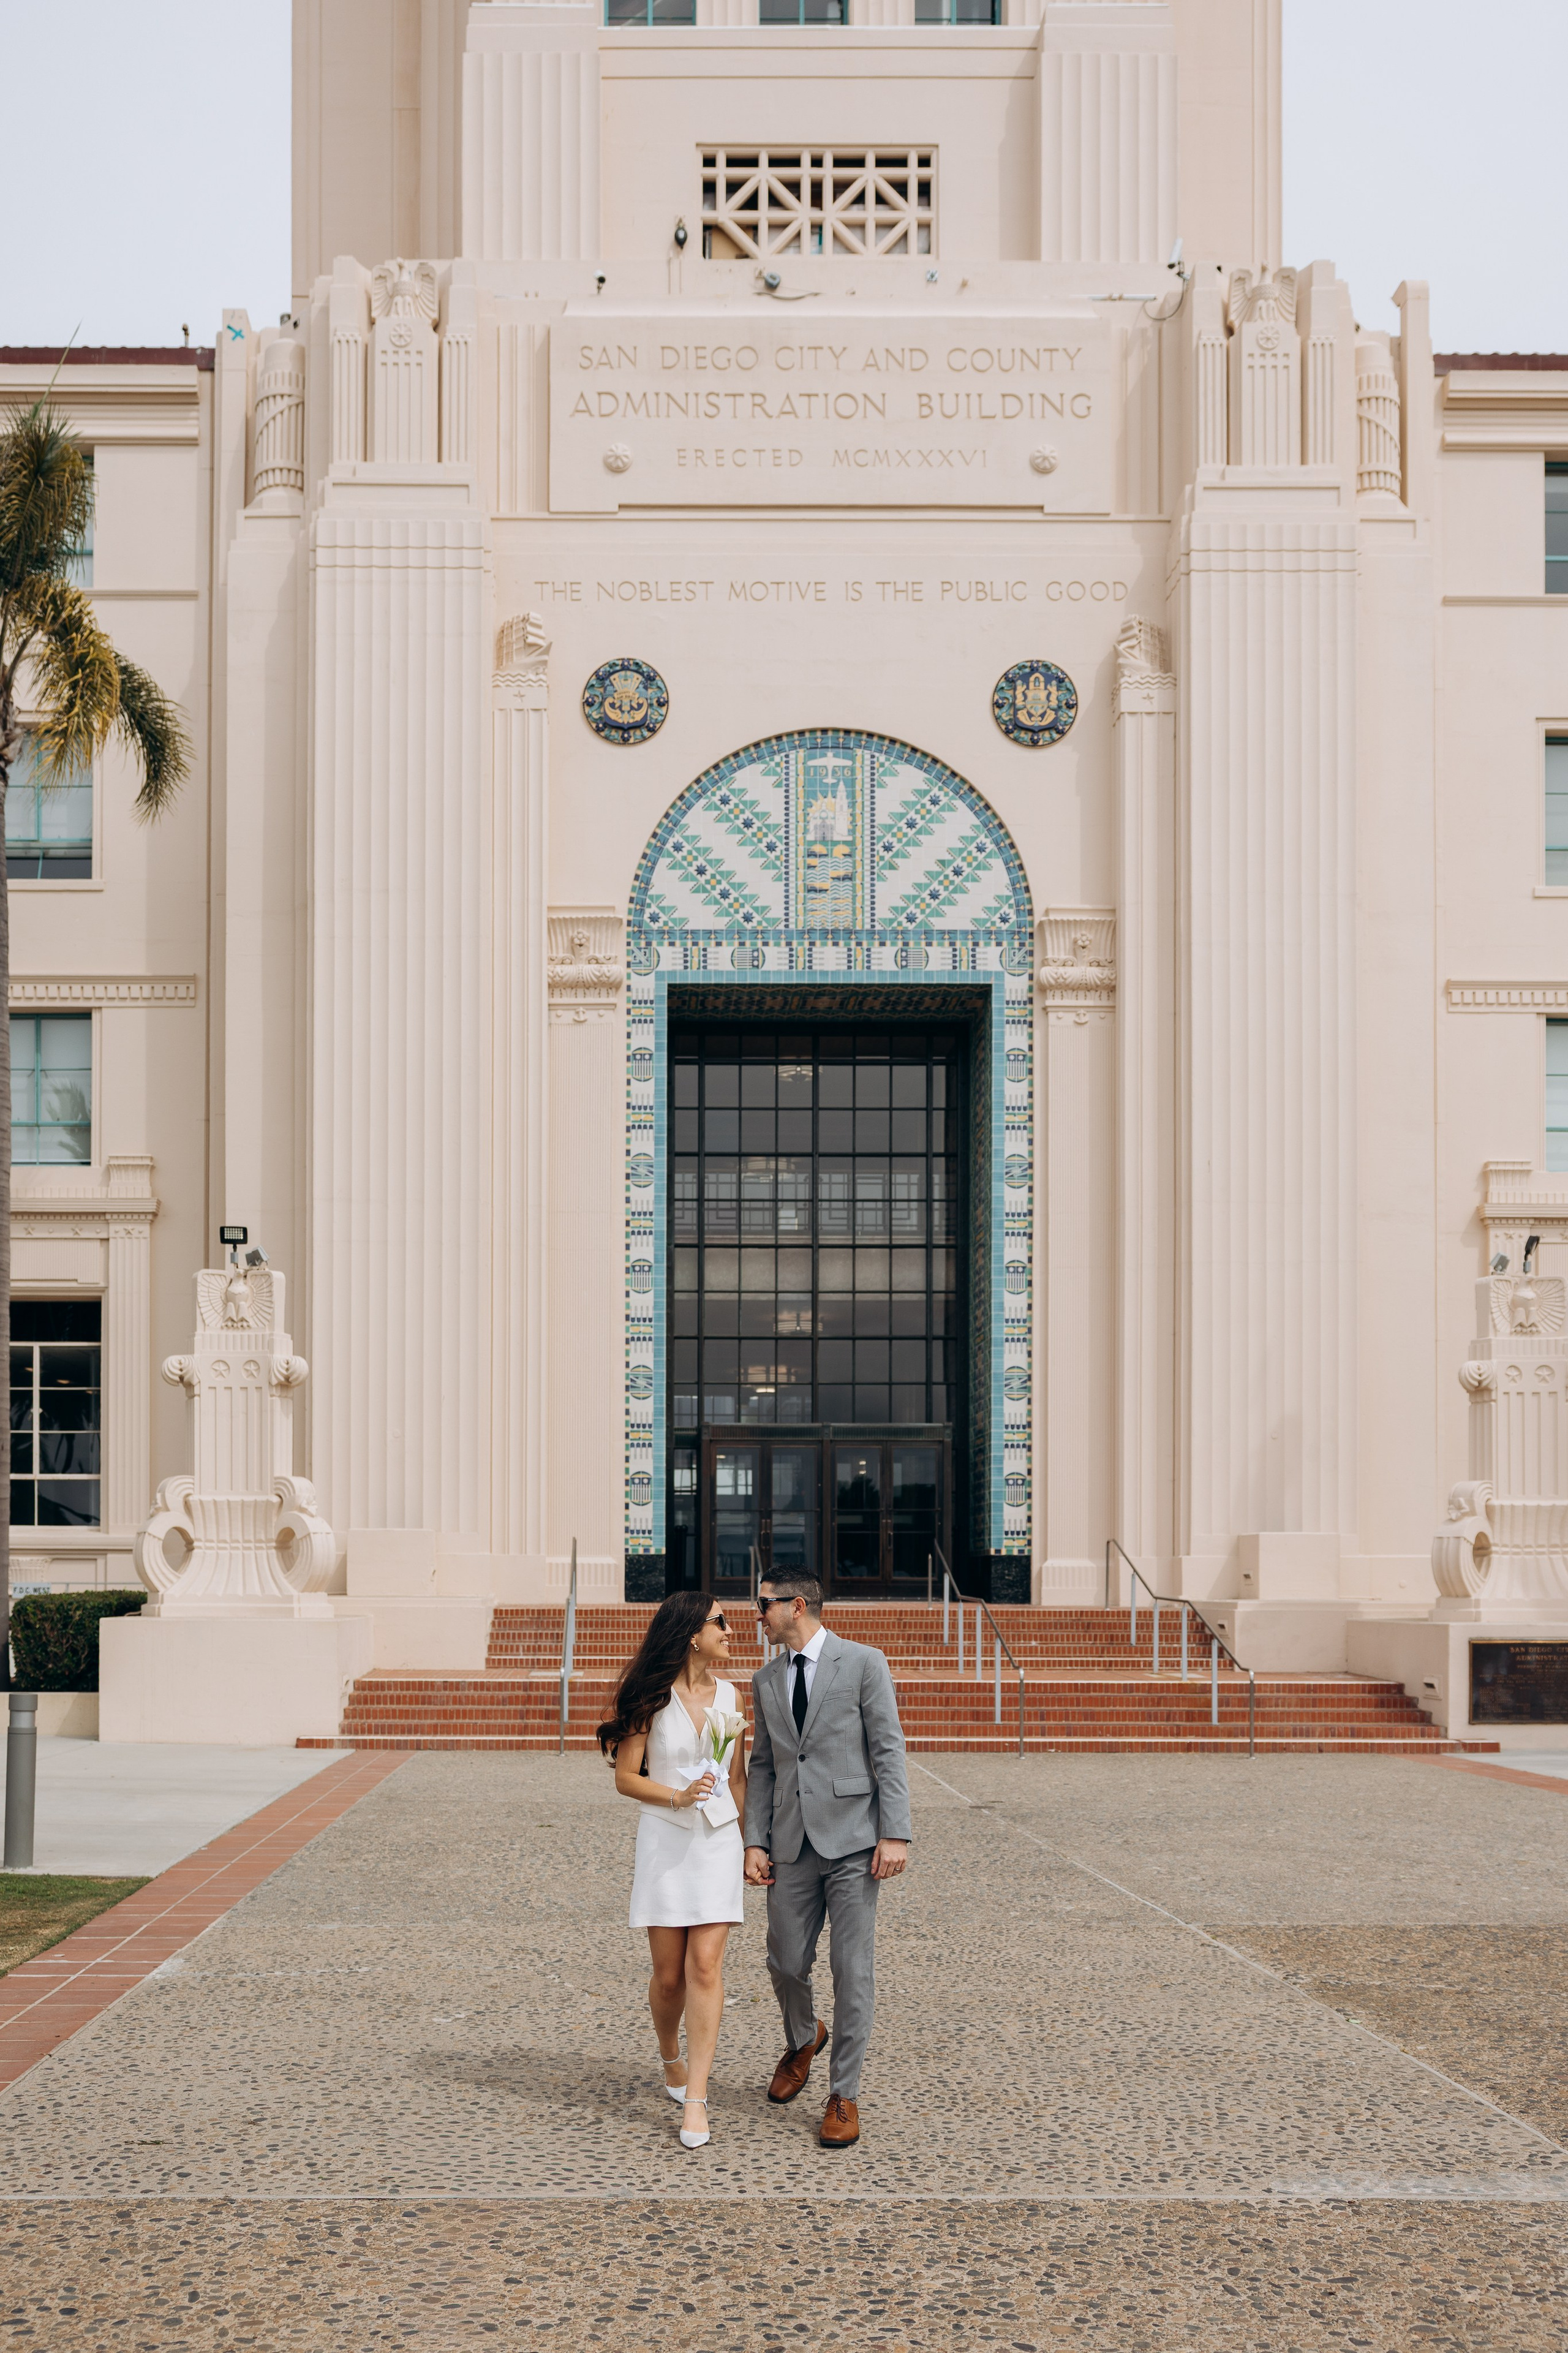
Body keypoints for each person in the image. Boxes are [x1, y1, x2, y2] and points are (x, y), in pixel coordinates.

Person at [744, 1574, 911, 2148]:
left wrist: (896, 1833)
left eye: (763, 1605)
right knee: (785, 1961)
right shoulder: (765, 1678)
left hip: (854, 1842)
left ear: (796, 1605)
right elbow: (763, 1764)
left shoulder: (864, 1662)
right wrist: (754, 1840)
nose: (756, 1615)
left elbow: (887, 1747)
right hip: (790, 1841)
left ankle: (844, 2092)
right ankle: (803, 2036)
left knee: (851, 1969)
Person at [597, 1593, 747, 2151]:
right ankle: (670, 2055)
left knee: (705, 1966)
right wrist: (677, 1796)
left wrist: (751, 1844)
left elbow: (736, 1780)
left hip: (717, 1844)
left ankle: (698, 2098)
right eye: (721, 1622)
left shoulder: (732, 1695)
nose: (731, 1629)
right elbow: (626, 1778)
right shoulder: (649, 1696)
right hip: (664, 1840)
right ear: (691, 1633)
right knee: (669, 1977)